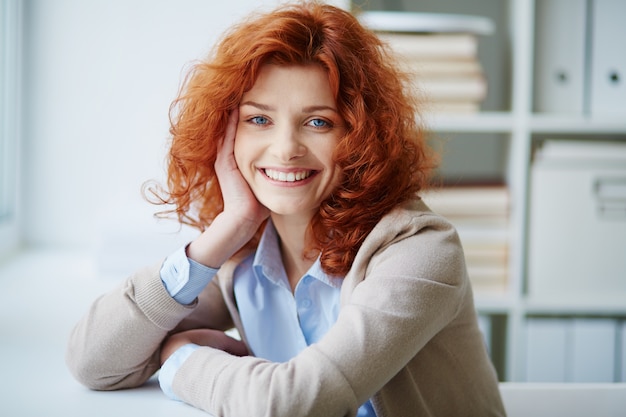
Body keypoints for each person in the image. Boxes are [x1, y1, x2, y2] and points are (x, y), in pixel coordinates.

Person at [66, 1, 507, 416]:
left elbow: (292, 405)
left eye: (318, 122)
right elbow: (94, 362)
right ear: (225, 134)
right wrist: (223, 233)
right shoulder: (247, 253)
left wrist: (181, 360)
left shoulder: (421, 252)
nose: (285, 149)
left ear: (358, 138)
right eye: (259, 119)